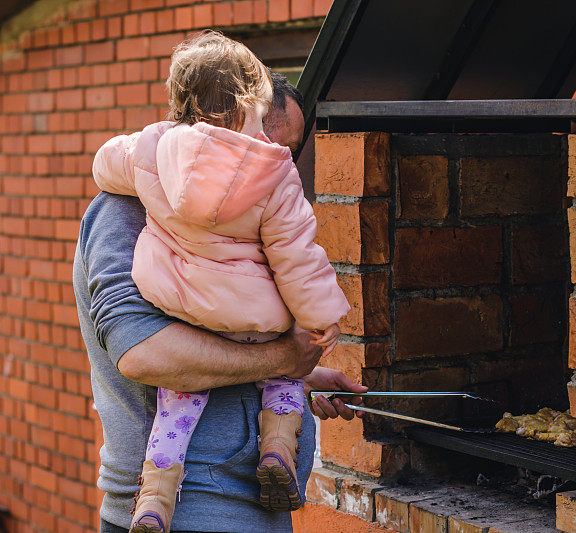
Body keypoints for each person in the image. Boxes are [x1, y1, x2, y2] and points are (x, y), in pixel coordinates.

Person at [74, 38, 365, 533]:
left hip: (244, 509)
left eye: (291, 154)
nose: (280, 162)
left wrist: (301, 380)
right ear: (241, 114)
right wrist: (283, 360)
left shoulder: (210, 195)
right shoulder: (124, 210)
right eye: (279, 143)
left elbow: (225, 337)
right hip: (195, 513)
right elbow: (144, 354)